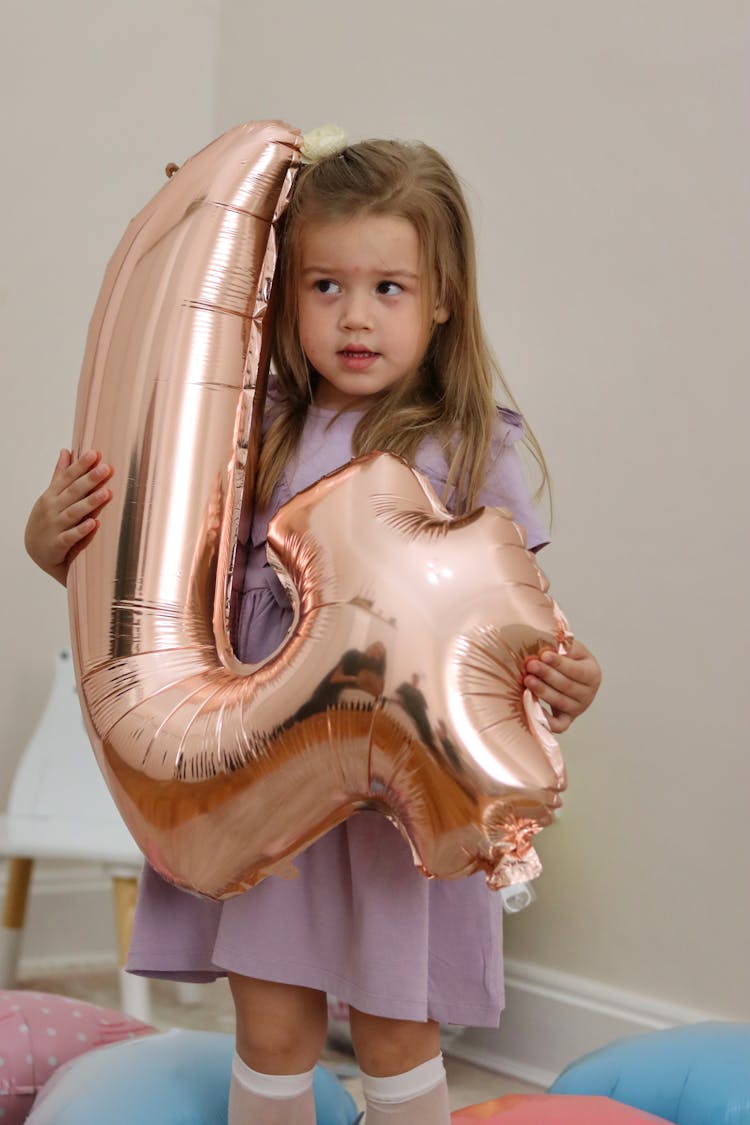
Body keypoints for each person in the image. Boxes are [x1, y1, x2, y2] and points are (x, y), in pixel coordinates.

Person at [25, 134, 601, 1125]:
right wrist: (50, 537)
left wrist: (565, 681)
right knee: (274, 1026)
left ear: (444, 297)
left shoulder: (465, 447)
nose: (355, 316)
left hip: (387, 797)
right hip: (264, 772)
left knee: (393, 1025)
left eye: (389, 288)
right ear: (282, 295)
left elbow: (511, 617)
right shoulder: (253, 429)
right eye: (325, 285)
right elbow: (140, 574)